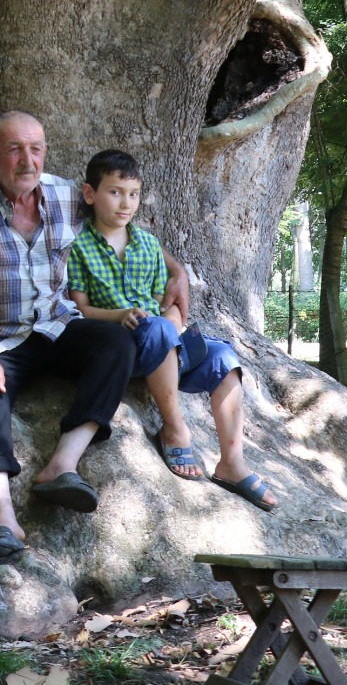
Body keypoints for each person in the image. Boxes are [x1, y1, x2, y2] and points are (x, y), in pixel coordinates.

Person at [0, 111, 188, 564]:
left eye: (36, 148)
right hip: (0, 337)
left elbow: (118, 220)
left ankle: (61, 466)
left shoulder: (67, 194)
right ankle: (1, 517)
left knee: (117, 344)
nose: (27, 160)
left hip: (59, 324)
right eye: (14, 149)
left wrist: (175, 266)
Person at [66, 148, 277, 511]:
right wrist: (118, 316)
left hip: (163, 342)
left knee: (224, 356)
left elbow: (169, 306)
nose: (125, 203)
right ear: (90, 194)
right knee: (159, 332)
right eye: (115, 192)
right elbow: (80, 308)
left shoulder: (148, 244)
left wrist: (175, 328)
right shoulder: (78, 246)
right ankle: (174, 428)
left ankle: (232, 462)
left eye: (133, 194)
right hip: (124, 346)